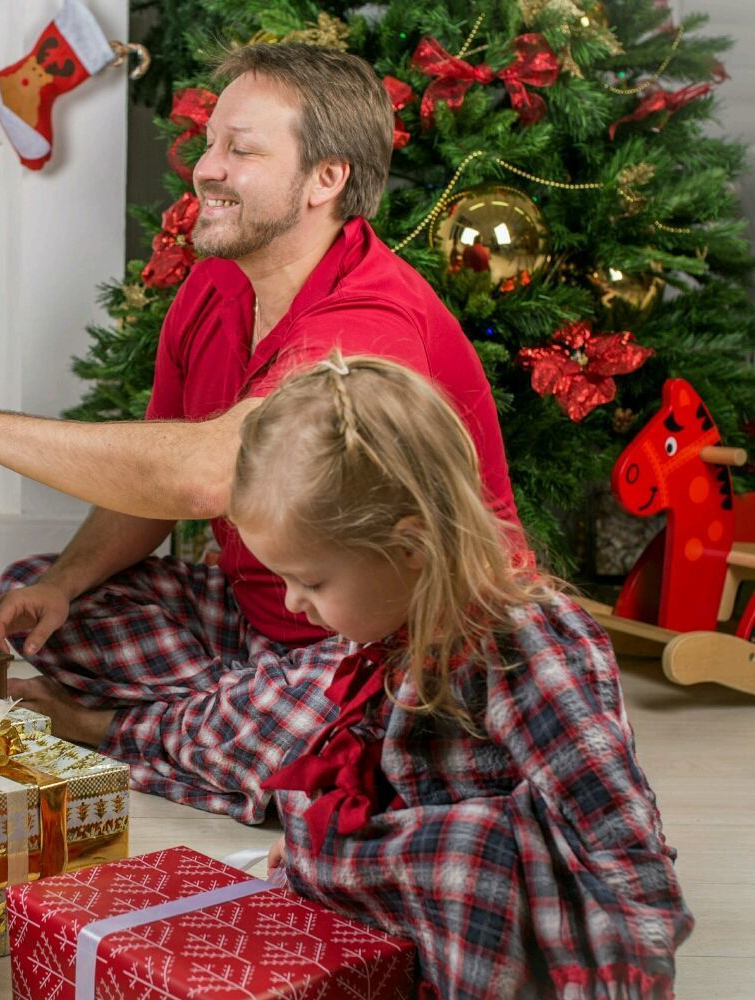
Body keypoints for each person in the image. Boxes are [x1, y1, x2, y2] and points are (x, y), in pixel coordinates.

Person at [0, 42, 522, 821]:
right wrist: (62, 584)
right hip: (259, 614)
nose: (206, 168)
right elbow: (151, 490)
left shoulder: (366, 319)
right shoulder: (214, 285)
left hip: (391, 644)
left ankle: (112, 730)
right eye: (210, 143)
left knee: (346, 729)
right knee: (36, 602)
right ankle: (235, 730)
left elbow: (206, 475)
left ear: (326, 179)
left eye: (243, 150)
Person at [231, 354, 692, 998]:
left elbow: (616, 826)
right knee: (301, 799)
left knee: (465, 855)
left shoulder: (521, 643)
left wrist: (628, 966)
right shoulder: (404, 624)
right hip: (435, 859)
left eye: (310, 581)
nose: (290, 604)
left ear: (412, 549)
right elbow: (386, 766)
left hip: (512, 895)